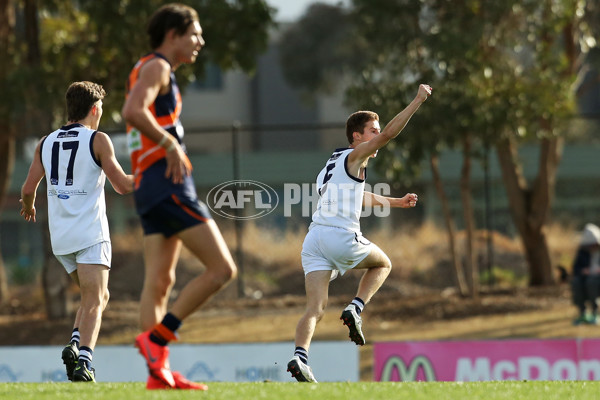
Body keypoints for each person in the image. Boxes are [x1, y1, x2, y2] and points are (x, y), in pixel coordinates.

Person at [121, 3, 237, 390]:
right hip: (166, 185)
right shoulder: (158, 67)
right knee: (222, 270)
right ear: (173, 34)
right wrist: (170, 144)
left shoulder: (148, 67)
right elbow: (132, 111)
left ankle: (158, 375)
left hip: (149, 188)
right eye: (194, 34)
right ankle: (156, 340)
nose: (200, 41)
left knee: (159, 282)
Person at [287, 84, 432, 382]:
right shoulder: (356, 156)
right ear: (357, 136)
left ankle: (300, 357)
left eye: (376, 130)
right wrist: (417, 100)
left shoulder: (332, 163)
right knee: (384, 264)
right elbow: (391, 134)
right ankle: (355, 307)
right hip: (340, 236)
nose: (377, 135)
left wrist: (396, 202)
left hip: (314, 240)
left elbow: (361, 197)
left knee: (314, 307)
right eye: (372, 130)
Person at [19, 81, 134, 382]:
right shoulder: (98, 139)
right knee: (95, 300)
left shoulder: (45, 142)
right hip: (90, 234)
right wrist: (152, 176)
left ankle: (73, 343)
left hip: (61, 239)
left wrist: (29, 207)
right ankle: (84, 362)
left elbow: (28, 188)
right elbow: (122, 185)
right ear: (94, 109)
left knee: (94, 295)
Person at [571, 223, 600, 325]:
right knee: (576, 282)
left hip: (596, 279)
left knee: (591, 282)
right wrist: (583, 270)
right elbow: (575, 268)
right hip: (585, 278)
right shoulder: (582, 252)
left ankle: (595, 311)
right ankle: (582, 313)